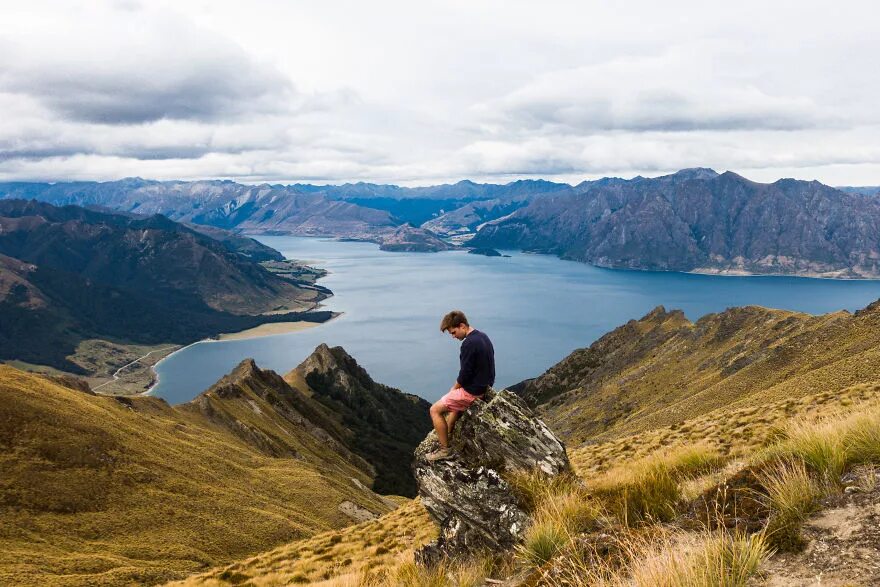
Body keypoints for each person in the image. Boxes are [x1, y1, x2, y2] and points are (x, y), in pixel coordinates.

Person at [425, 310, 495, 462]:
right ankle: (447, 434)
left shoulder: (468, 344)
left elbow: (465, 374)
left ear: (462, 326)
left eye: (453, 332)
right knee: (454, 408)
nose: (453, 336)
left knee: (434, 410)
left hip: (473, 391)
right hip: (485, 386)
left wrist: (454, 388)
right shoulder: (483, 336)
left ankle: (444, 450)